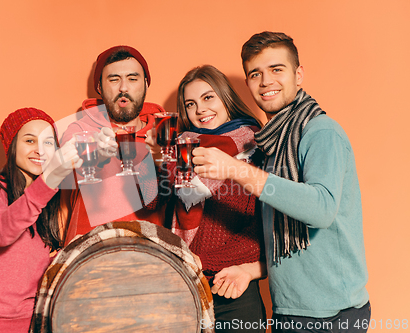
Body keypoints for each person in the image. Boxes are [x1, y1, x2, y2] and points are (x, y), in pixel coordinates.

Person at [193, 32, 370, 332]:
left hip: (333, 314)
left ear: (298, 74)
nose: (266, 82)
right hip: (289, 310)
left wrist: (236, 170)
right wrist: (249, 270)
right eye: (255, 74)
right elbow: (279, 239)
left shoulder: (321, 132)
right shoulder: (272, 145)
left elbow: (321, 209)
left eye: (277, 70)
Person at [0, 108, 82, 333]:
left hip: (31, 326)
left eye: (48, 143)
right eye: (29, 140)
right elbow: (1, 231)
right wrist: (50, 179)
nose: (40, 150)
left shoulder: (45, 205)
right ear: (11, 146)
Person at [169, 65, 266, 332]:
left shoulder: (256, 148)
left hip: (232, 288)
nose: (200, 109)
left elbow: (262, 229)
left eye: (208, 97)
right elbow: (157, 211)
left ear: (226, 97)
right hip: (183, 289)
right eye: (191, 104)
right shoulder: (180, 152)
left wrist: (199, 261)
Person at [61, 45, 168, 244]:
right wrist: (95, 152)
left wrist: (159, 160)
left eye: (132, 78)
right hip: (88, 254)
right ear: (100, 87)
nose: (123, 88)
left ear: (145, 84)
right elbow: (68, 158)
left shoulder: (164, 135)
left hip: (152, 257)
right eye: (114, 79)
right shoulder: (80, 130)